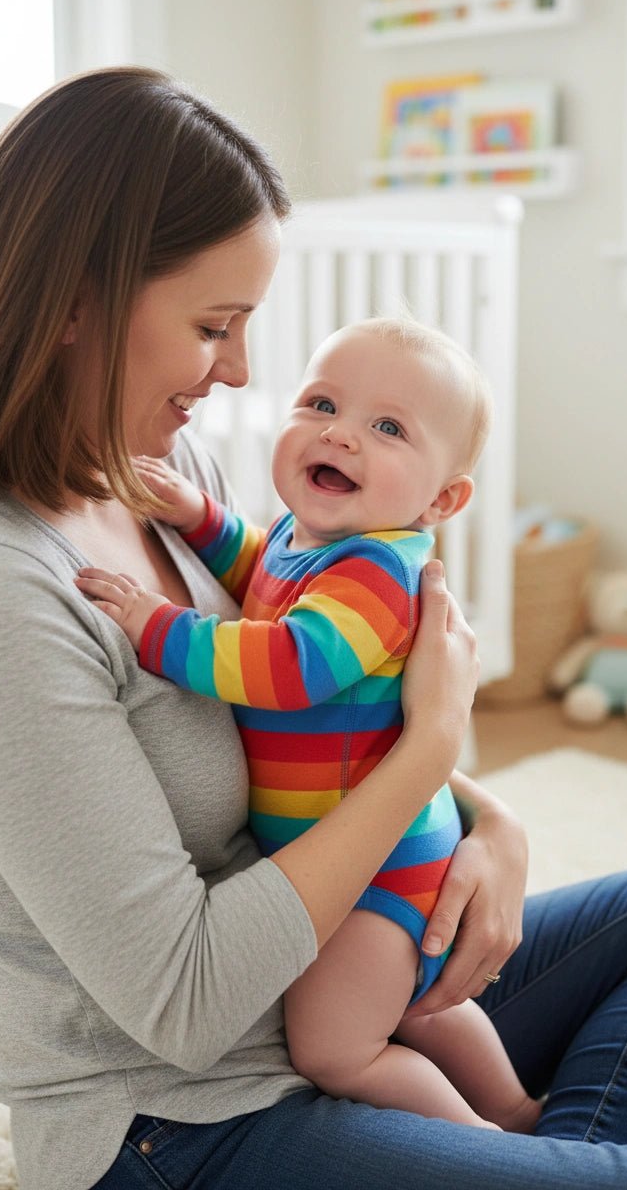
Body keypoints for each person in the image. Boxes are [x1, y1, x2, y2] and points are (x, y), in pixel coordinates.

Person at [0, 67, 627, 1190]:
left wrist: (487, 819)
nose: (241, 373)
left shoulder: (168, 469)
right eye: (214, 326)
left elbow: (332, 693)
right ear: (78, 299)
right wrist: (430, 745)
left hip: (341, 974)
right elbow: (183, 1002)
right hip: (182, 1120)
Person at [74, 315, 541, 1133]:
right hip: (360, 851)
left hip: (376, 868)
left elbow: (287, 665)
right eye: (322, 403)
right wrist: (199, 518)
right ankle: (517, 1108)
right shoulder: (314, 540)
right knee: (417, 1006)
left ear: (442, 498)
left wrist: (155, 625)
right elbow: (264, 569)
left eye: (388, 428)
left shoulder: (381, 574)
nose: (341, 434)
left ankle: (496, 1144)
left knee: (339, 1050)